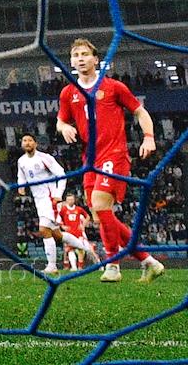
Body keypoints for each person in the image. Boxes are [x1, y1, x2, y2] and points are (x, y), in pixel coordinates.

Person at [56, 38, 164, 283]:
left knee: (100, 205)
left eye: (85, 54)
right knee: (101, 216)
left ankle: (113, 265)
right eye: (76, 55)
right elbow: (61, 120)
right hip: (89, 160)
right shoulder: (68, 93)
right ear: (71, 61)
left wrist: (149, 137)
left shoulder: (114, 87)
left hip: (114, 155)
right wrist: (64, 127)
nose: (80, 59)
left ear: (96, 60)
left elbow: (140, 111)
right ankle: (149, 261)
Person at [16, 133, 97, 274]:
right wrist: (21, 186)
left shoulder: (45, 158)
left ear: (35, 143)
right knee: (57, 235)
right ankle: (87, 248)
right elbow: (21, 176)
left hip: (50, 199)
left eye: (30, 140)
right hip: (38, 200)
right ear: (22, 144)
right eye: (24, 140)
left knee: (43, 230)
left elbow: (61, 174)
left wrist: (58, 194)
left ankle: (52, 266)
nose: (27, 142)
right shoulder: (21, 161)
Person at [58, 193, 94, 270]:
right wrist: (62, 226)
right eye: (68, 199)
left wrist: (83, 225)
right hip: (69, 233)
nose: (70, 201)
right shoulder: (63, 209)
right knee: (70, 249)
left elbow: (88, 217)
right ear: (66, 200)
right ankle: (73, 267)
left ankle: (80, 266)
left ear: (74, 200)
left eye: (71, 199)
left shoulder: (79, 209)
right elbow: (58, 218)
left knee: (81, 249)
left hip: (78, 233)